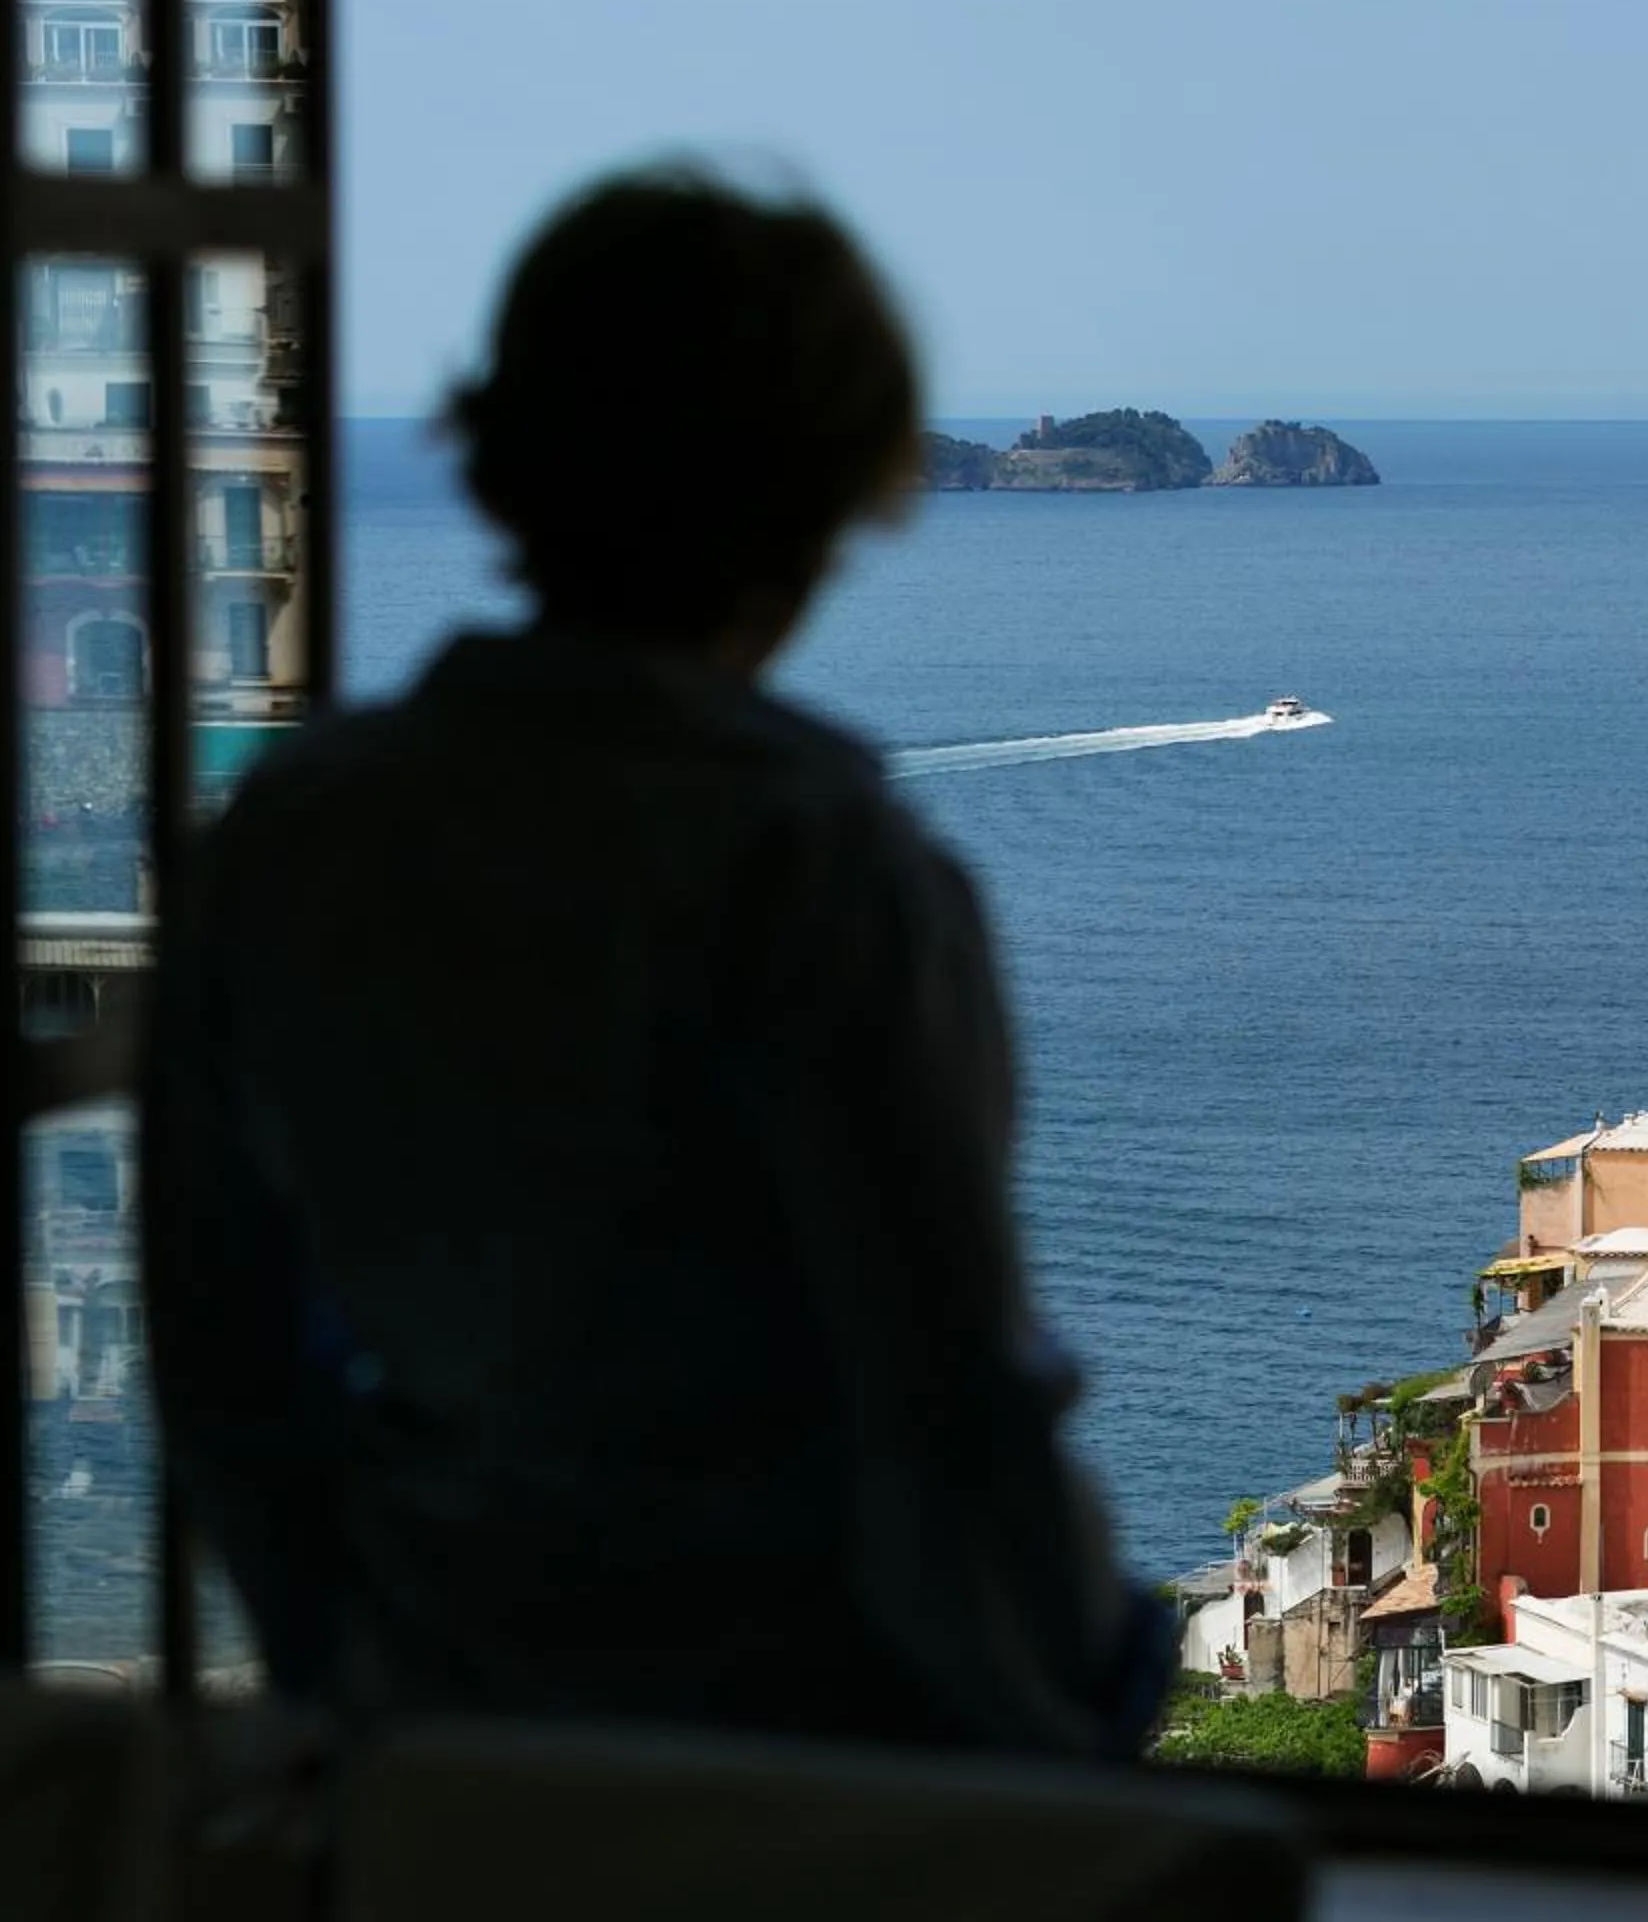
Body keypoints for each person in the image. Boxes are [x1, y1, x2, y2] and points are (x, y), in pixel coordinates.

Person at [145, 166, 1171, 1757]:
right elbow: (947, 1405)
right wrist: (1086, 1696)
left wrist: (338, 1672)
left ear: (508, 457)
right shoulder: (827, 873)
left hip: (432, 1721)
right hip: (791, 1741)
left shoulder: (286, 833)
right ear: (830, 500)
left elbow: (218, 1361)